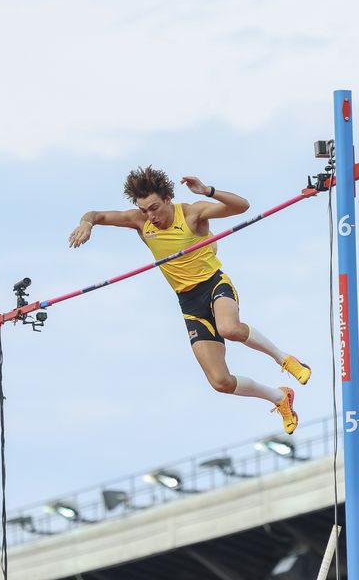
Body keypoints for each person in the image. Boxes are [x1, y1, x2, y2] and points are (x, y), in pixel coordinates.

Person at [68, 166, 310, 434]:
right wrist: (86, 223)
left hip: (214, 284)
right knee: (221, 382)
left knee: (229, 328)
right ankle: (279, 397)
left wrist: (208, 191)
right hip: (189, 303)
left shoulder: (192, 213)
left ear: (168, 199)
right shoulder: (140, 222)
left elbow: (243, 206)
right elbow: (97, 214)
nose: (151, 215)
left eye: (154, 207)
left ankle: (284, 359)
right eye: (144, 209)